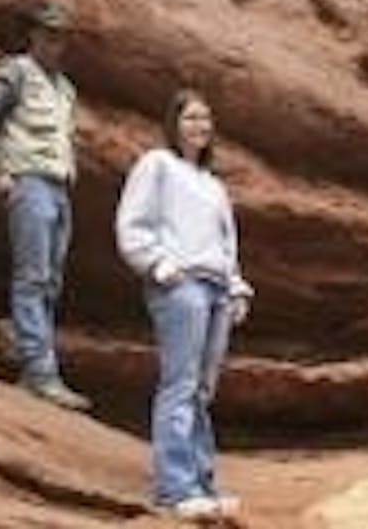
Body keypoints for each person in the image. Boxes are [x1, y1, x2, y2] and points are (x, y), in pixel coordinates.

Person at [115, 89, 252, 521]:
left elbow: (225, 242)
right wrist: (159, 266)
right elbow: (132, 223)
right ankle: (174, 489)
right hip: (182, 285)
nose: (200, 126)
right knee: (180, 383)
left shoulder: (213, 184)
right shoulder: (157, 165)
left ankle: (202, 485)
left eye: (206, 119)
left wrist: (236, 287)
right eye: (191, 118)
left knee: (201, 390)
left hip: (216, 289)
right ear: (174, 123)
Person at [0, 1, 91, 411]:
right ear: (33, 35)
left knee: (50, 281)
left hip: (59, 188)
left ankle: (32, 369)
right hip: (30, 182)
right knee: (33, 277)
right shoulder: (17, 71)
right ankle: (42, 374)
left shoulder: (66, 88)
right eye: (48, 34)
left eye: (61, 37)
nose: (56, 43)